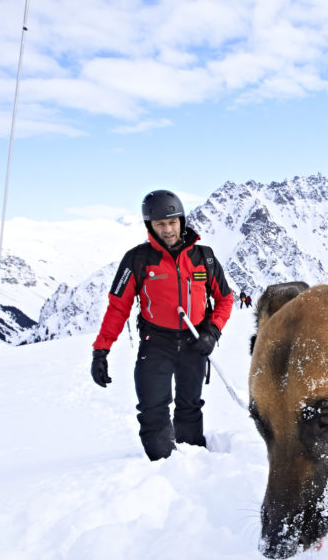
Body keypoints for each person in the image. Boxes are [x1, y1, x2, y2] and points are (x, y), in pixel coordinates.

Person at [91, 190, 233, 461]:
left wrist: (212, 332)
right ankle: (162, 467)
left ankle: (197, 465)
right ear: (150, 226)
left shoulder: (205, 257)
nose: (167, 229)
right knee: (153, 407)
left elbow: (225, 298)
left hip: (195, 340)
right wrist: (101, 350)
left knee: (190, 406)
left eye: (172, 222)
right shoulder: (138, 259)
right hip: (156, 342)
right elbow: (117, 307)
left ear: (181, 221)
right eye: (160, 224)